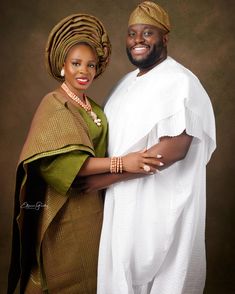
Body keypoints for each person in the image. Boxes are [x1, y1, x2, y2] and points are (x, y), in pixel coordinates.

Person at [7, 13, 163, 294]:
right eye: (76, 63)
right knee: (65, 275)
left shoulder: (89, 105)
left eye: (91, 65)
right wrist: (123, 164)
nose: (84, 71)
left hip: (93, 206)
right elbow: (69, 166)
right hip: (64, 210)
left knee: (93, 275)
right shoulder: (54, 104)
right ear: (62, 66)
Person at [95, 1, 216, 293]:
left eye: (147, 33)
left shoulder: (180, 82)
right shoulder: (125, 84)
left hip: (161, 208)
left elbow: (175, 149)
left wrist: (104, 178)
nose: (138, 39)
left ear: (165, 38)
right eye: (132, 33)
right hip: (122, 205)